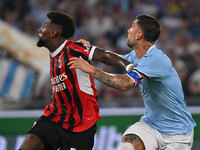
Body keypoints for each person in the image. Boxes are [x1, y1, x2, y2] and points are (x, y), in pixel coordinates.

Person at [68, 14, 197, 150]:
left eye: (132, 26)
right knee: (127, 147)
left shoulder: (155, 59)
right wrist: (86, 50)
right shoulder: (137, 55)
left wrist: (91, 70)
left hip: (177, 134)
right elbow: (113, 58)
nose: (129, 30)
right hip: (151, 124)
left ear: (139, 35)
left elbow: (124, 84)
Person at [19, 10, 131, 150]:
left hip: (81, 125)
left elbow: (105, 55)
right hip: (55, 118)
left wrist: (130, 66)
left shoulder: (73, 49)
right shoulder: (53, 54)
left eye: (44, 26)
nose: (39, 30)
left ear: (54, 33)